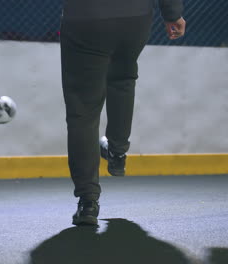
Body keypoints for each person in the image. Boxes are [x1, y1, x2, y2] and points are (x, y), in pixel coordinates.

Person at [60, 0, 186, 226]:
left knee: (83, 108)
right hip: (135, 17)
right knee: (123, 78)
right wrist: (172, 14)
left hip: (86, 17)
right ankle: (117, 152)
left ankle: (88, 201)